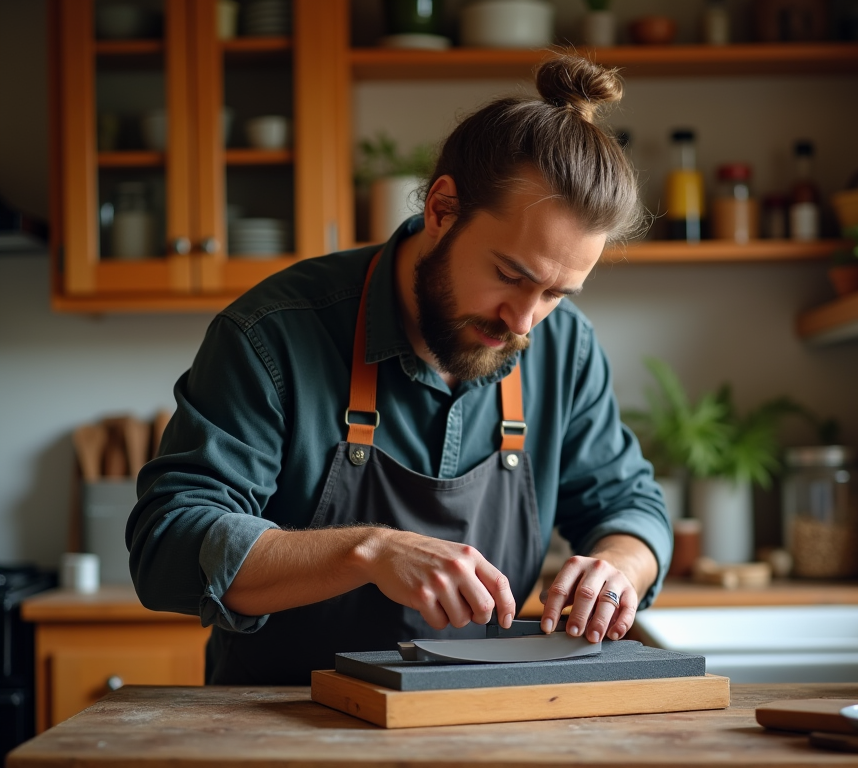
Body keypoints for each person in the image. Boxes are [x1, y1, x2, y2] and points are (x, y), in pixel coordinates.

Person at [127, 53, 673, 685]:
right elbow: (167, 544)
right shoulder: (272, 334)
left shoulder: (564, 349)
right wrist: (368, 551)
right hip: (283, 723)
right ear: (442, 208)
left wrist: (618, 568)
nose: (524, 321)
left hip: (483, 719)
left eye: (555, 295)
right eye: (510, 275)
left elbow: (631, 505)